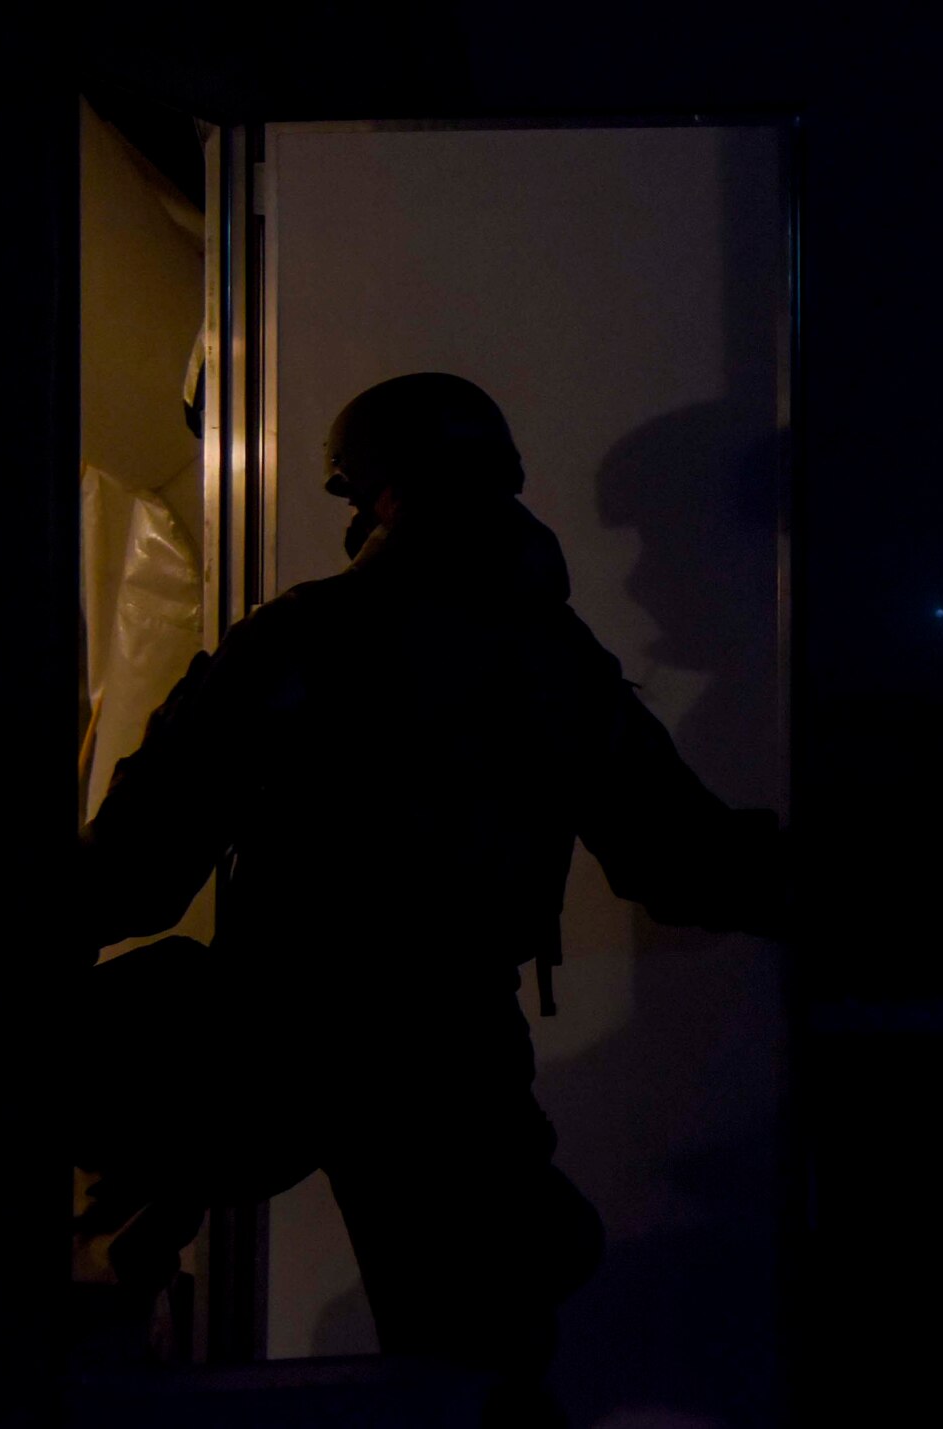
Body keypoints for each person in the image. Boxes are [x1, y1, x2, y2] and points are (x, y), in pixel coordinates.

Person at [72, 372, 785, 1420]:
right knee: (478, 1373)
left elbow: (135, 864)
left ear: (377, 496)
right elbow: (683, 861)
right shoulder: (552, 660)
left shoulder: (302, 638)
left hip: (275, 1036)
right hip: (446, 1064)